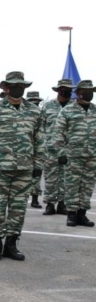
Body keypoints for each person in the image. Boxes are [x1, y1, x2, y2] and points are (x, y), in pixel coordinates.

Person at [0, 72, 44, 261]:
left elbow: (40, 139)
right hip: (0, 166)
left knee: (18, 208)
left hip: (25, 168)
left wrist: (38, 163)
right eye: (14, 85)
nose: (18, 88)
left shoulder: (34, 111)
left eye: (21, 85)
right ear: (6, 88)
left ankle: (12, 244)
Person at [51, 80, 96, 228]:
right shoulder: (68, 110)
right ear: (79, 92)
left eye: (91, 91)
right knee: (72, 185)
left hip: (92, 155)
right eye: (86, 91)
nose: (89, 93)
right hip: (73, 154)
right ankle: (71, 214)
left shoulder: (95, 110)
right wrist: (61, 152)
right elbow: (58, 132)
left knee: (87, 186)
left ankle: (82, 214)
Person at [41, 79, 73, 216]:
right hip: (50, 149)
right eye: (64, 89)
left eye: (70, 89)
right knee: (50, 177)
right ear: (59, 90)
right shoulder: (48, 106)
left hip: (68, 149)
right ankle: (49, 204)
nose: (67, 91)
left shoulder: (74, 107)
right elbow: (41, 127)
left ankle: (62, 204)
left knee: (66, 177)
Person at [24, 91, 44, 208]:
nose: (35, 104)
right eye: (32, 102)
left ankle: (35, 199)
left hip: (37, 148)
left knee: (36, 175)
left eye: (37, 102)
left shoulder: (40, 114)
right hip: (24, 150)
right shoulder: (23, 113)